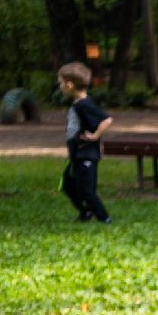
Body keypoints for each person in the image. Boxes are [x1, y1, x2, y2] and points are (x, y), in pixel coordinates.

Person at [57, 62, 113, 224]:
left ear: (69, 85)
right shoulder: (77, 103)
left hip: (87, 154)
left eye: (61, 83)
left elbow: (106, 120)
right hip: (77, 154)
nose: (60, 86)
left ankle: (105, 218)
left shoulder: (85, 104)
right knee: (68, 185)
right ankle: (86, 212)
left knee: (87, 191)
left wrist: (95, 136)